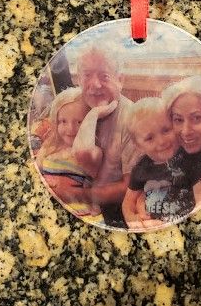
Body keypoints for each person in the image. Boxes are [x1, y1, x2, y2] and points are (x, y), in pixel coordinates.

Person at [51, 46, 139, 228]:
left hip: (112, 209)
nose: (95, 85)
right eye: (87, 75)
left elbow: (131, 187)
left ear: (120, 79)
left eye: (104, 76)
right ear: (78, 79)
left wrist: (75, 194)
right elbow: (51, 138)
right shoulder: (73, 104)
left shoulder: (133, 119)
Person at [122, 97, 201, 230]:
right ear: (138, 146)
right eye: (149, 138)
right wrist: (133, 221)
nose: (161, 141)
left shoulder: (191, 158)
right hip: (151, 229)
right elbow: (128, 202)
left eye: (165, 130)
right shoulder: (140, 168)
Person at [36, 87, 116, 219]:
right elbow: (37, 171)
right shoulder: (49, 146)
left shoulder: (94, 151)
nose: (70, 129)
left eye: (79, 122)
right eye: (63, 121)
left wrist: (94, 114)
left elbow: (83, 150)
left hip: (79, 212)